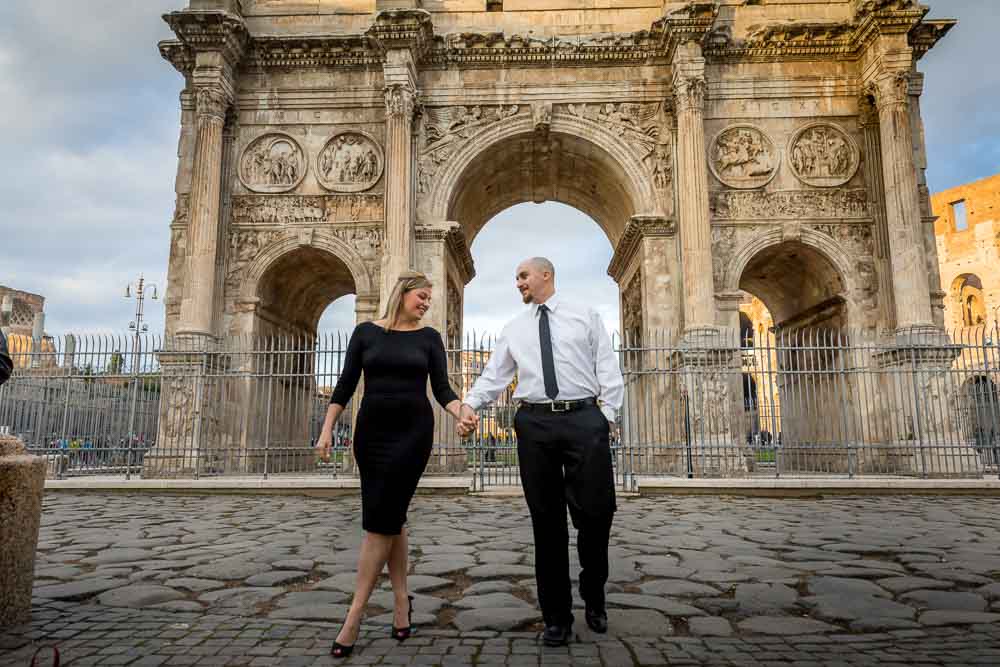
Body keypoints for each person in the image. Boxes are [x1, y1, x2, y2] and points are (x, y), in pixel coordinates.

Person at [457, 257, 624, 646]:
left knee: (597, 515)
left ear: (546, 275)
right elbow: (494, 375)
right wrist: (470, 405)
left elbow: (607, 365)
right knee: (546, 524)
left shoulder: (585, 315)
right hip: (535, 424)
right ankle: (556, 617)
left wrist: (608, 416)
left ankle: (593, 588)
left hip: (584, 418)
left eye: (523, 276)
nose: (518, 283)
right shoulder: (515, 328)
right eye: (516, 277)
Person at [314, 271, 465, 659]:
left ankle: (355, 614)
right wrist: (327, 429)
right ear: (402, 293)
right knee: (390, 518)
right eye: (422, 296)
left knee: (378, 523)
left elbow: (442, 388)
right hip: (372, 435)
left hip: (412, 436)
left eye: (430, 298)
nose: (427, 303)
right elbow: (345, 384)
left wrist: (460, 410)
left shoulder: (430, 339)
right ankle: (401, 603)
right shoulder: (365, 333)